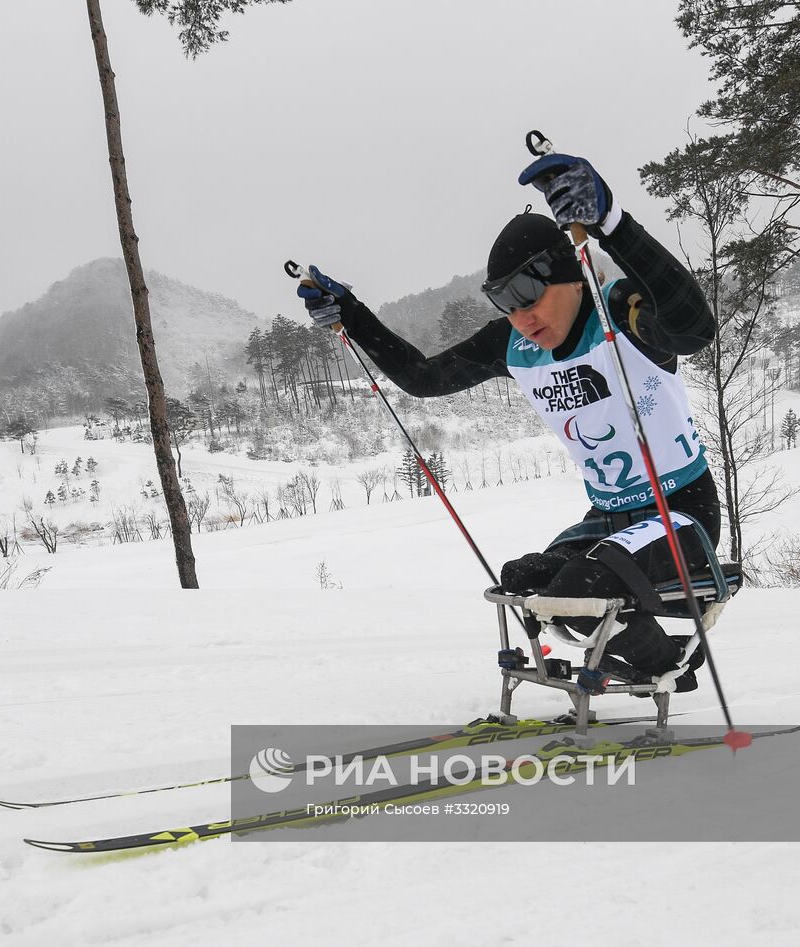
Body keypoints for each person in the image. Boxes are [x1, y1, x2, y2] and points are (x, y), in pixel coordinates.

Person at [297, 152, 719, 692]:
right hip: (609, 514)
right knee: (525, 580)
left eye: (530, 295)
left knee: (577, 591)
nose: (522, 318)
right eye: (506, 303)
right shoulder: (516, 344)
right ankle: (651, 657)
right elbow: (424, 377)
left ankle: (670, 667)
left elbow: (693, 328)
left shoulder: (621, 315)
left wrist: (611, 223)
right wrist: (350, 314)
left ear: (567, 277)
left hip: (680, 510)